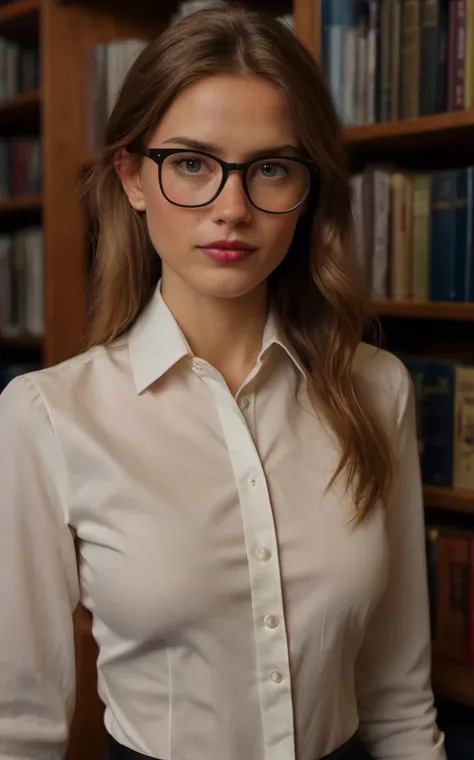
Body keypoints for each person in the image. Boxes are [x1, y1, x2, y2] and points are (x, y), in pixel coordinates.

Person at [0, 6, 446, 760]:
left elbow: (399, 698)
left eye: (270, 167)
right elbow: (22, 727)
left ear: (306, 191)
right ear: (133, 177)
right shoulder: (48, 416)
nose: (232, 210)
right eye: (193, 165)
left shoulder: (378, 390)